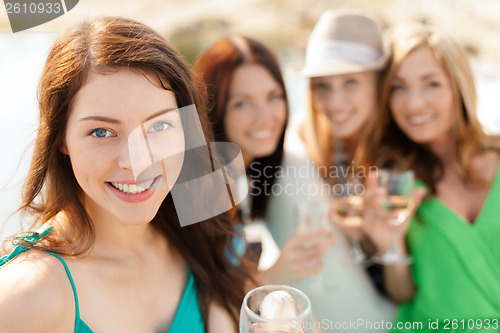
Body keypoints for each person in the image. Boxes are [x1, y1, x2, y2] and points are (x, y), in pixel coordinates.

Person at [0, 17, 249, 333]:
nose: (137, 161)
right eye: (102, 131)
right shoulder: (29, 296)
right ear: (61, 138)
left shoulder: (196, 230)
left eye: (159, 126)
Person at [362, 22, 500, 331]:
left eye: (431, 84)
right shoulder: (396, 182)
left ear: (459, 86)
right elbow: (404, 293)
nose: (414, 103)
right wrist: (392, 244)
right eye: (398, 87)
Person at [265, 9, 397, 332]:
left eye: (350, 81)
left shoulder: (399, 156)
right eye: (322, 85)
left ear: (379, 83)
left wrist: (375, 240)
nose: (334, 102)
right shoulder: (301, 145)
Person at [193, 35, 335, 286]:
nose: (265, 117)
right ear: (213, 109)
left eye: (273, 96)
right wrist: (271, 278)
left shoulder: (244, 172)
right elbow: (197, 296)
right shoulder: (201, 185)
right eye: (242, 103)